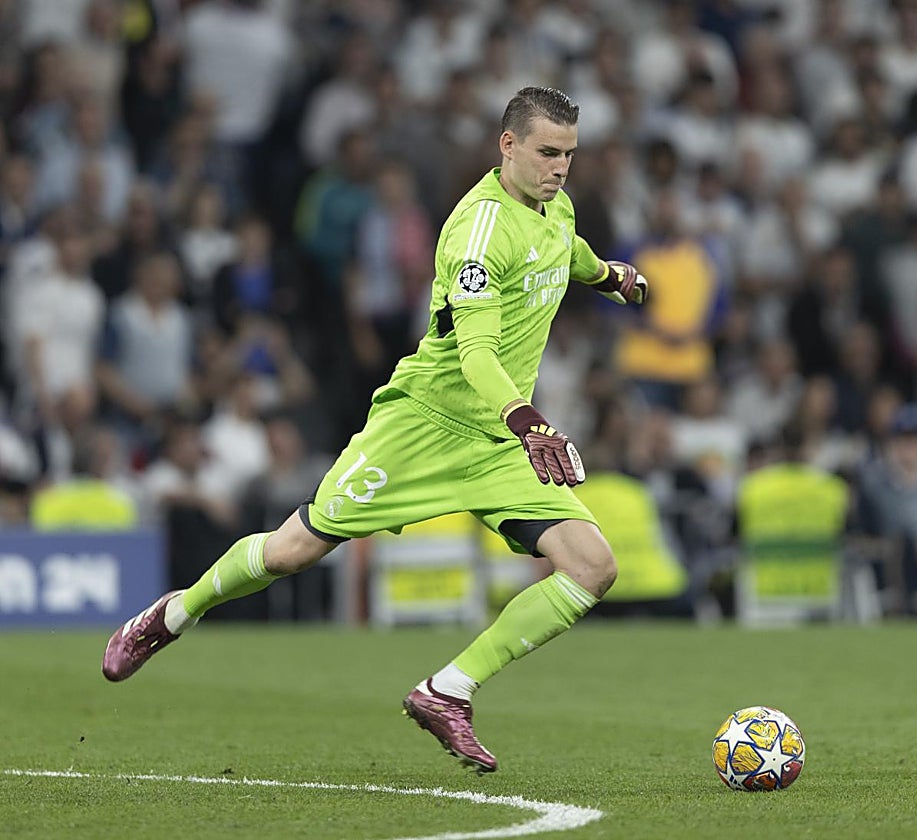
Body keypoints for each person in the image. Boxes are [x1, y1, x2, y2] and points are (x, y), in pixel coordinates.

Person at [100, 87, 649, 774]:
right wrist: (527, 418)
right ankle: (173, 615)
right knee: (293, 551)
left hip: (496, 443)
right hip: (423, 427)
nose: (560, 167)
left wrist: (608, 277)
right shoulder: (479, 233)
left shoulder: (555, 206)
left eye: (568, 154)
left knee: (593, 567)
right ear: (507, 145)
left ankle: (447, 690)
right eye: (547, 152)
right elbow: (476, 352)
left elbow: (564, 250)